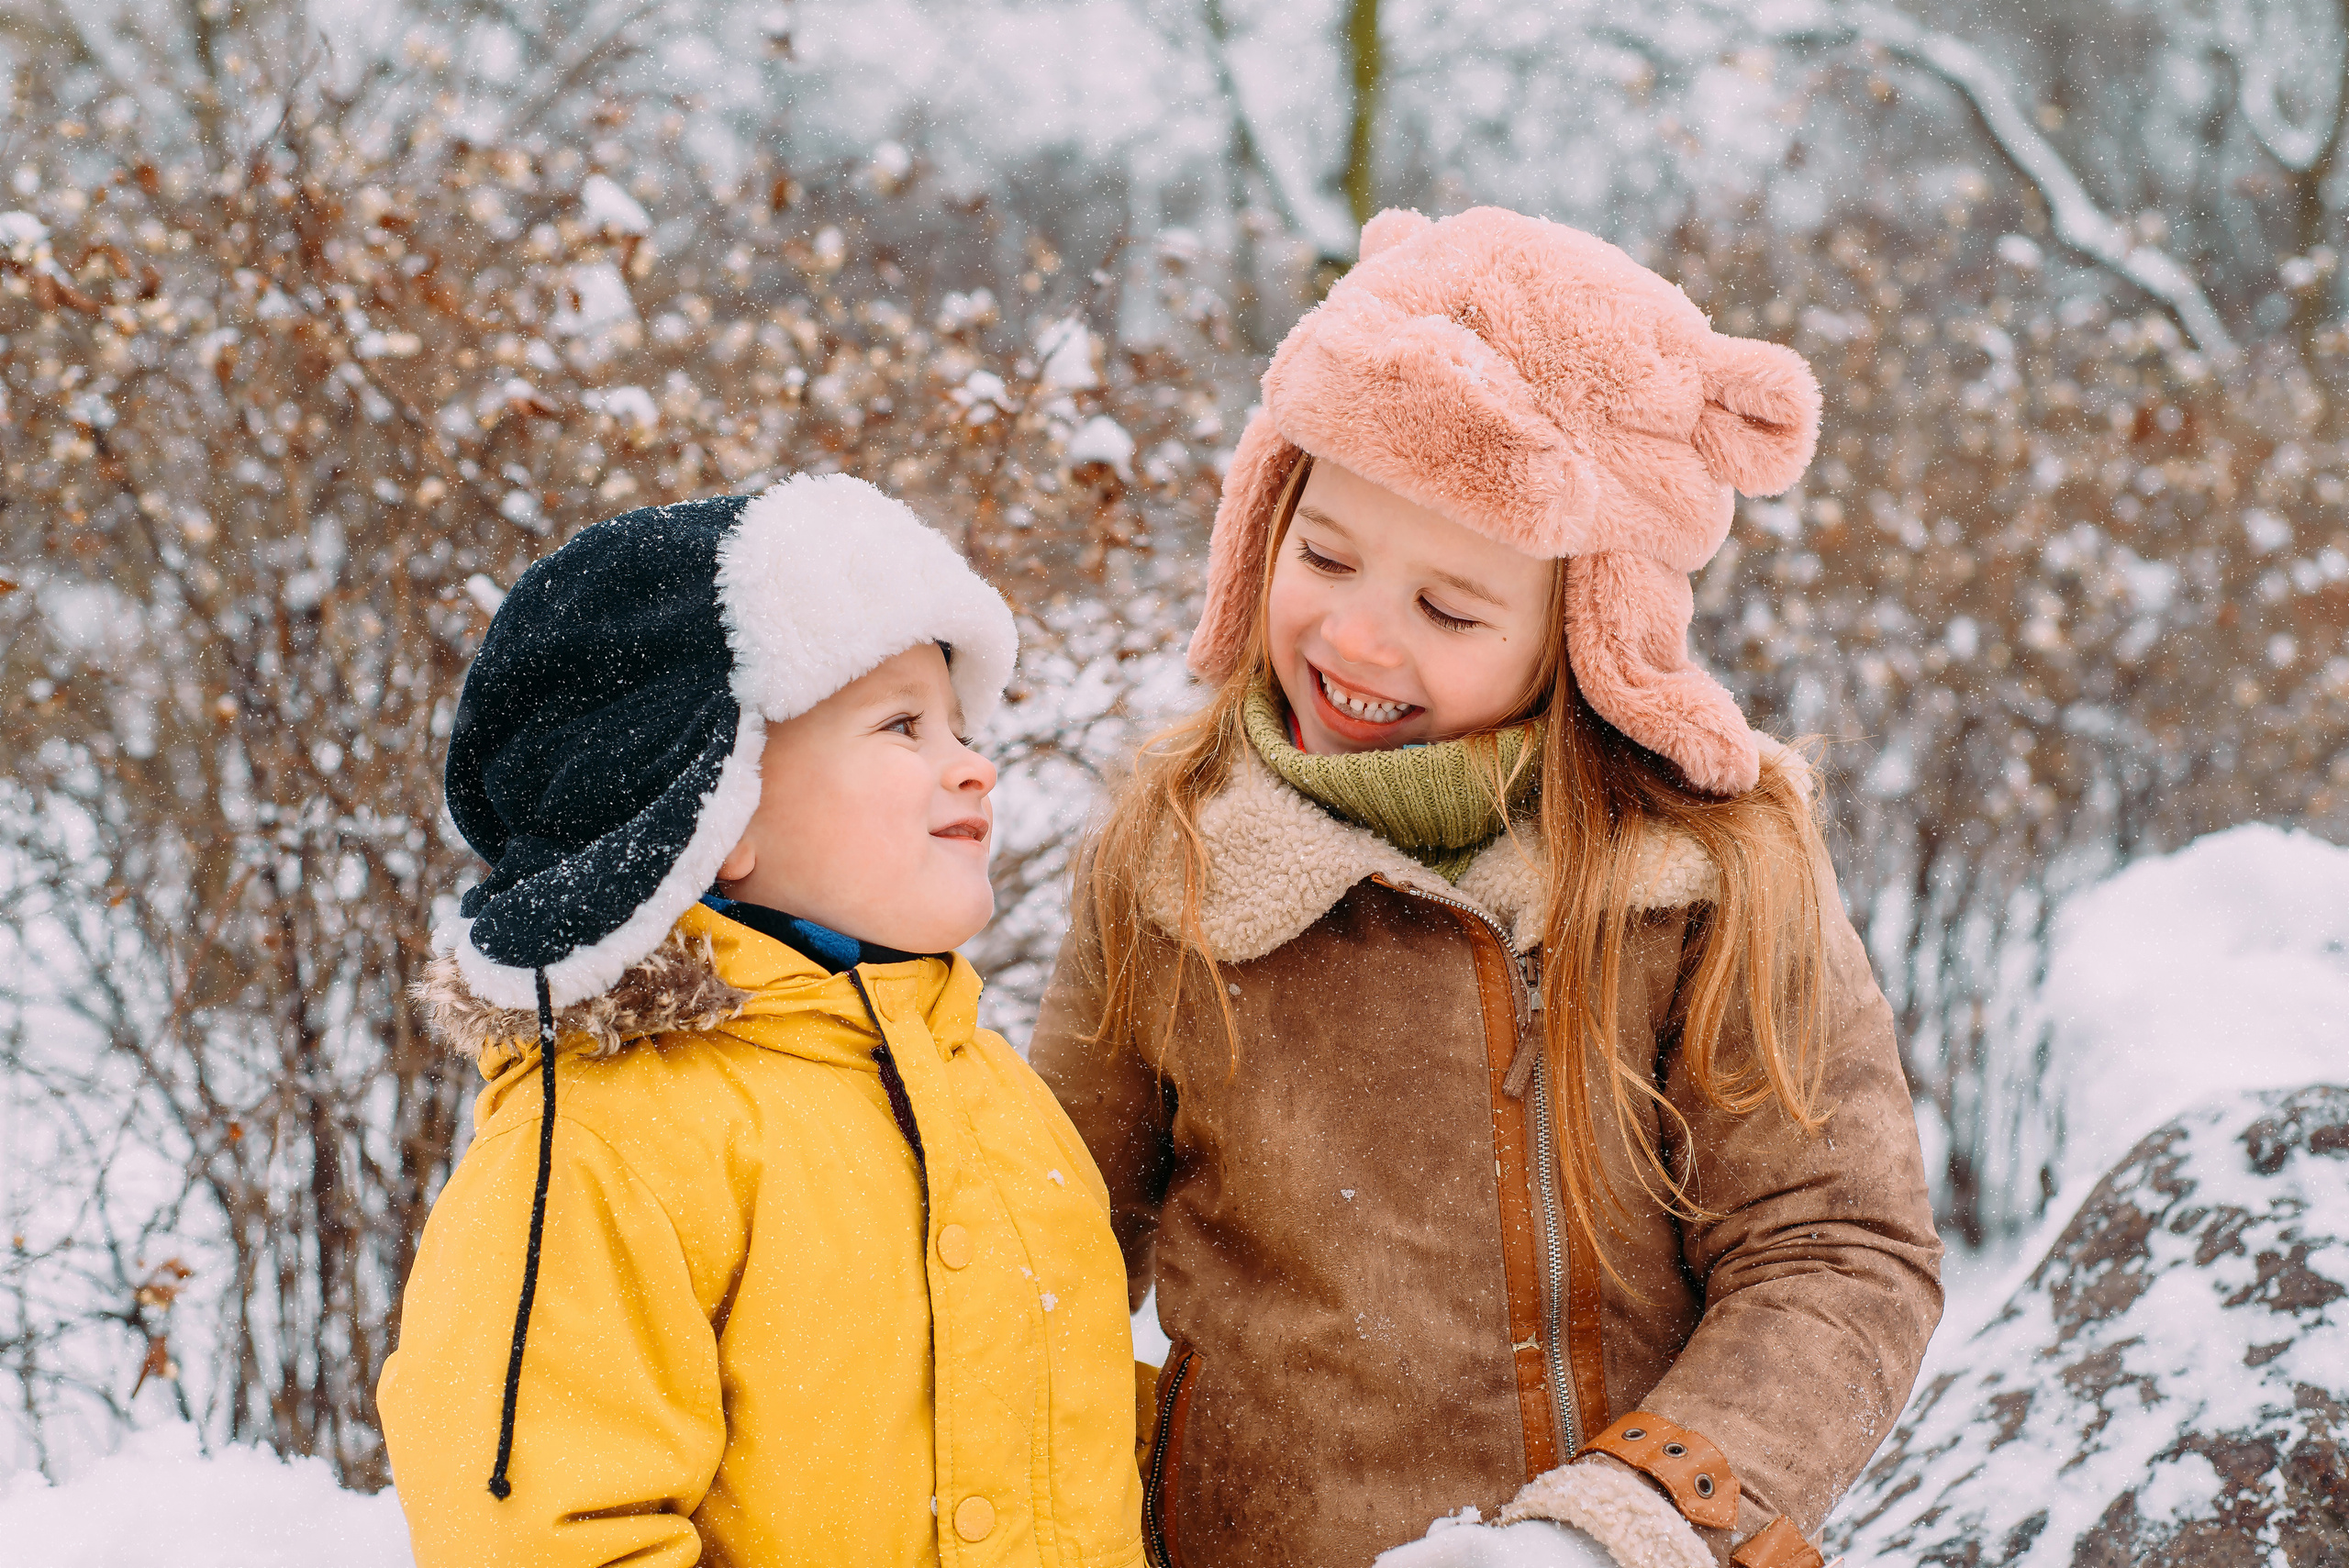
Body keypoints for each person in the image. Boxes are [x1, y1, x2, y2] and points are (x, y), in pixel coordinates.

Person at [1030, 208, 1943, 1568]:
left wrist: (1622, 1523)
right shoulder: (1176, 846)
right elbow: (1045, 1240)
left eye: (1450, 610)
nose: (1353, 634)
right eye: (1324, 555)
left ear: (1587, 633)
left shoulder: (1708, 870)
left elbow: (1836, 1249)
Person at [378, 474, 1144, 1568]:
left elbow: (1061, 1438)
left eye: (960, 725)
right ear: (717, 809)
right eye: (901, 725)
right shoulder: (608, 1141)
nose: (972, 762)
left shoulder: (983, 1086)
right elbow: (548, 1533)